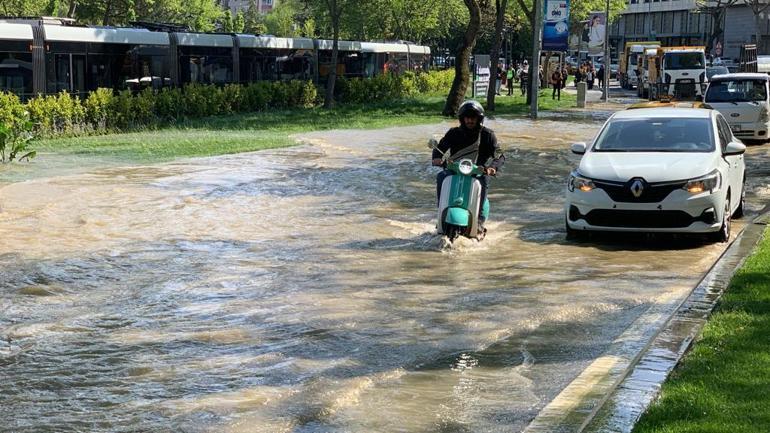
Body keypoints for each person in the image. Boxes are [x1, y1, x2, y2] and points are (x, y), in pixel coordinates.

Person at [433, 101, 505, 231]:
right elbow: (440, 147)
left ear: (479, 119)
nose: (470, 120)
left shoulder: (488, 135)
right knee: (441, 177)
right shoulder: (453, 133)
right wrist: (436, 158)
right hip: (455, 169)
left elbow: (499, 155)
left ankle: (479, 220)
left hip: (478, 171)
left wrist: (492, 167)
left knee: (483, 181)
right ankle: (441, 212)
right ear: (462, 118)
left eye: (473, 117)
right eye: (467, 117)